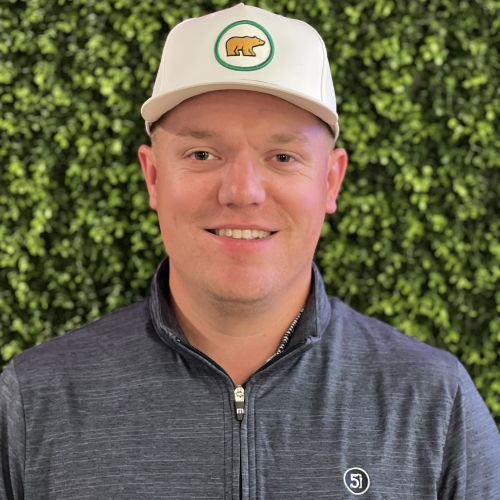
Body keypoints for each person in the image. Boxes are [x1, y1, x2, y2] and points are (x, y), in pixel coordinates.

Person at [1, 3, 498, 499]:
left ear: (331, 180)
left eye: (283, 157)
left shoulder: (435, 403)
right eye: (202, 154)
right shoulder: (34, 402)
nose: (242, 191)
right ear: (153, 176)